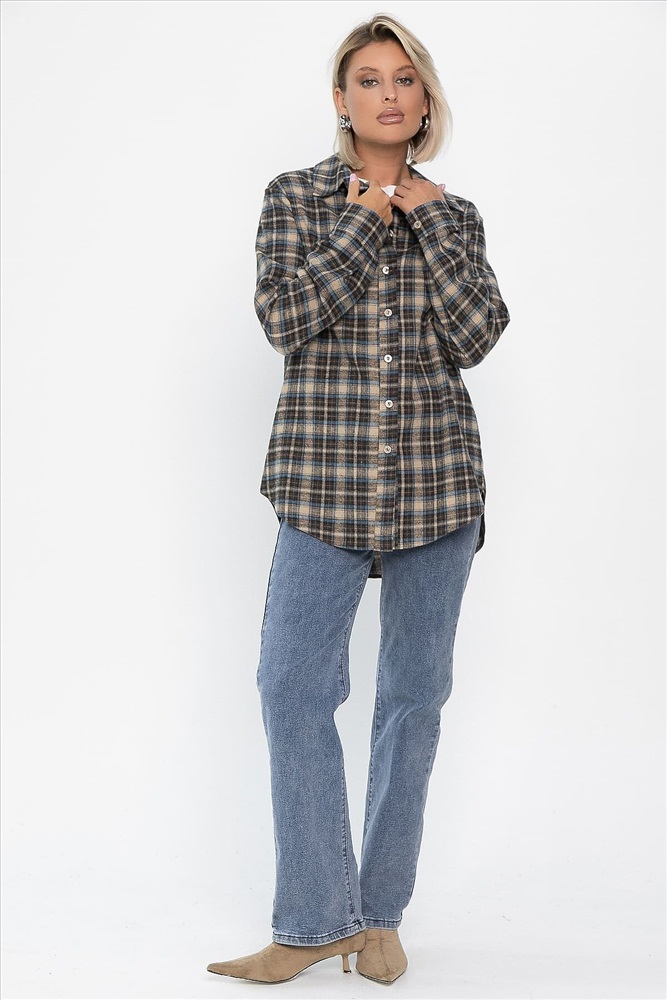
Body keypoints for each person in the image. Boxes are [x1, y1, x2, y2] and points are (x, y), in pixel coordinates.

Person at [207, 12, 510, 986]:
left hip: (435, 485)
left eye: (403, 80)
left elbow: (476, 336)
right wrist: (366, 215)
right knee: (290, 688)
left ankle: (377, 916)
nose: (388, 94)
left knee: (411, 701)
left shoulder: (454, 215)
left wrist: (427, 220)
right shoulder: (294, 197)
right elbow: (285, 316)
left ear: (424, 101)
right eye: (369, 80)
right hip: (320, 484)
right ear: (341, 100)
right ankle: (311, 919)